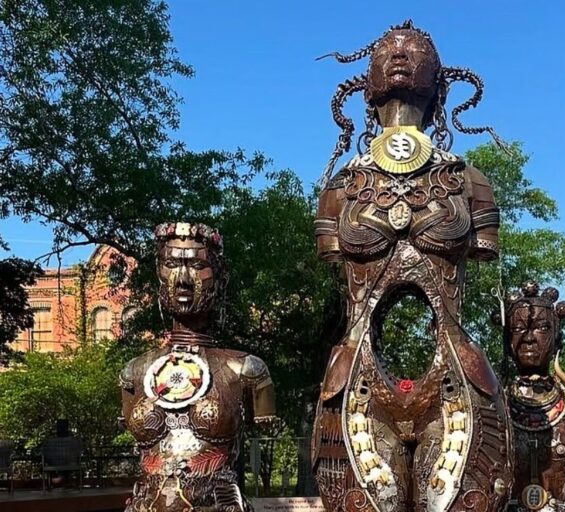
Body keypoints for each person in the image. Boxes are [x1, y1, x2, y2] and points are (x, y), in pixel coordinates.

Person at [311, 20, 513, 512]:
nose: (400, 53)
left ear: (439, 82)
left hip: (457, 381)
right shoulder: (340, 190)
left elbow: (484, 249)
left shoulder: (470, 181)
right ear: (367, 83)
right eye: (387, 50)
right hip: (356, 380)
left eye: (416, 49)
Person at [120, 223, 276, 512]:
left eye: (197, 265)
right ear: (158, 274)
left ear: (219, 277)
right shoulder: (134, 372)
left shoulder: (247, 370)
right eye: (171, 264)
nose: (183, 280)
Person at [499, 282, 565, 512]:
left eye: (542, 328)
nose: (529, 338)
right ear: (507, 343)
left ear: (557, 339)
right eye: (518, 329)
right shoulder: (493, 407)